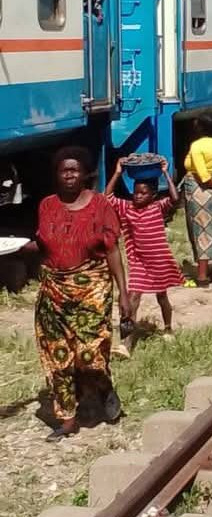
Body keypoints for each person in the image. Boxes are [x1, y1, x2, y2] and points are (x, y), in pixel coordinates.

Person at [28, 146, 129, 441]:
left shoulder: (100, 205)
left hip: (92, 288)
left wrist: (124, 293)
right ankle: (68, 419)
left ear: (85, 173)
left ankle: (103, 386)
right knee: (58, 356)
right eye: (63, 170)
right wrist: (21, 249)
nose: (69, 174)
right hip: (53, 290)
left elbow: (111, 250)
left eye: (74, 169)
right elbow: (45, 242)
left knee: (89, 354)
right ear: (56, 175)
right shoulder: (47, 205)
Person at [105, 157, 184, 347]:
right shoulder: (127, 208)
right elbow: (107, 196)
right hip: (139, 261)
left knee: (162, 297)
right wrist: (117, 172)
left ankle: (167, 328)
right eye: (135, 192)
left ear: (153, 195)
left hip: (159, 261)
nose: (138, 196)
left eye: (143, 193)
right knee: (133, 298)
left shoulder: (157, 208)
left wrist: (166, 172)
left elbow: (175, 199)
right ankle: (127, 342)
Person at [183, 114, 212, 286]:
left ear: (200, 129)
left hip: (199, 190)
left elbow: (202, 175)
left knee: (202, 229)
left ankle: (202, 276)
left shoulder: (196, 146)